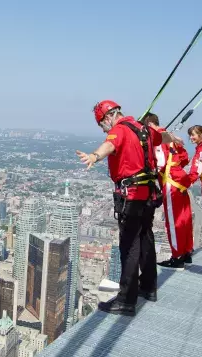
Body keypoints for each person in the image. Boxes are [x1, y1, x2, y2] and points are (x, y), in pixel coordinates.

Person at [76, 100, 178, 316]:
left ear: (108, 117)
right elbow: (164, 137)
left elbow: (109, 145)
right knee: (146, 239)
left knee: (129, 247)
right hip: (149, 195)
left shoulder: (119, 130)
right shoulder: (145, 129)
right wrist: (174, 138)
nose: (103, 129)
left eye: (101, 124)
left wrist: (94, 156)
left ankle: (126, 300)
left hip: (131, 197)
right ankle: (149, 287)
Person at [142, 113, 193, 268]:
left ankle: (177, 257)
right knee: (184, 219)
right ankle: (186, 252)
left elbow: (160, 163)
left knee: (173, 221)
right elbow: (185, 158)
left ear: (149, 124)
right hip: (181, 180)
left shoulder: (158, 139)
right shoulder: (172, 137)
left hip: (171, 182)